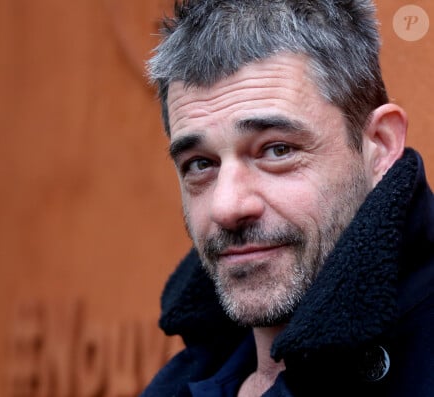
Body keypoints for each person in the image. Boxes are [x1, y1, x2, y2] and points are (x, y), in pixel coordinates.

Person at [141, 1, 434, 396]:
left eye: (277, 150)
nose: (226, 207)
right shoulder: (179, 383)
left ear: (379, 145)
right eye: (199, 164)